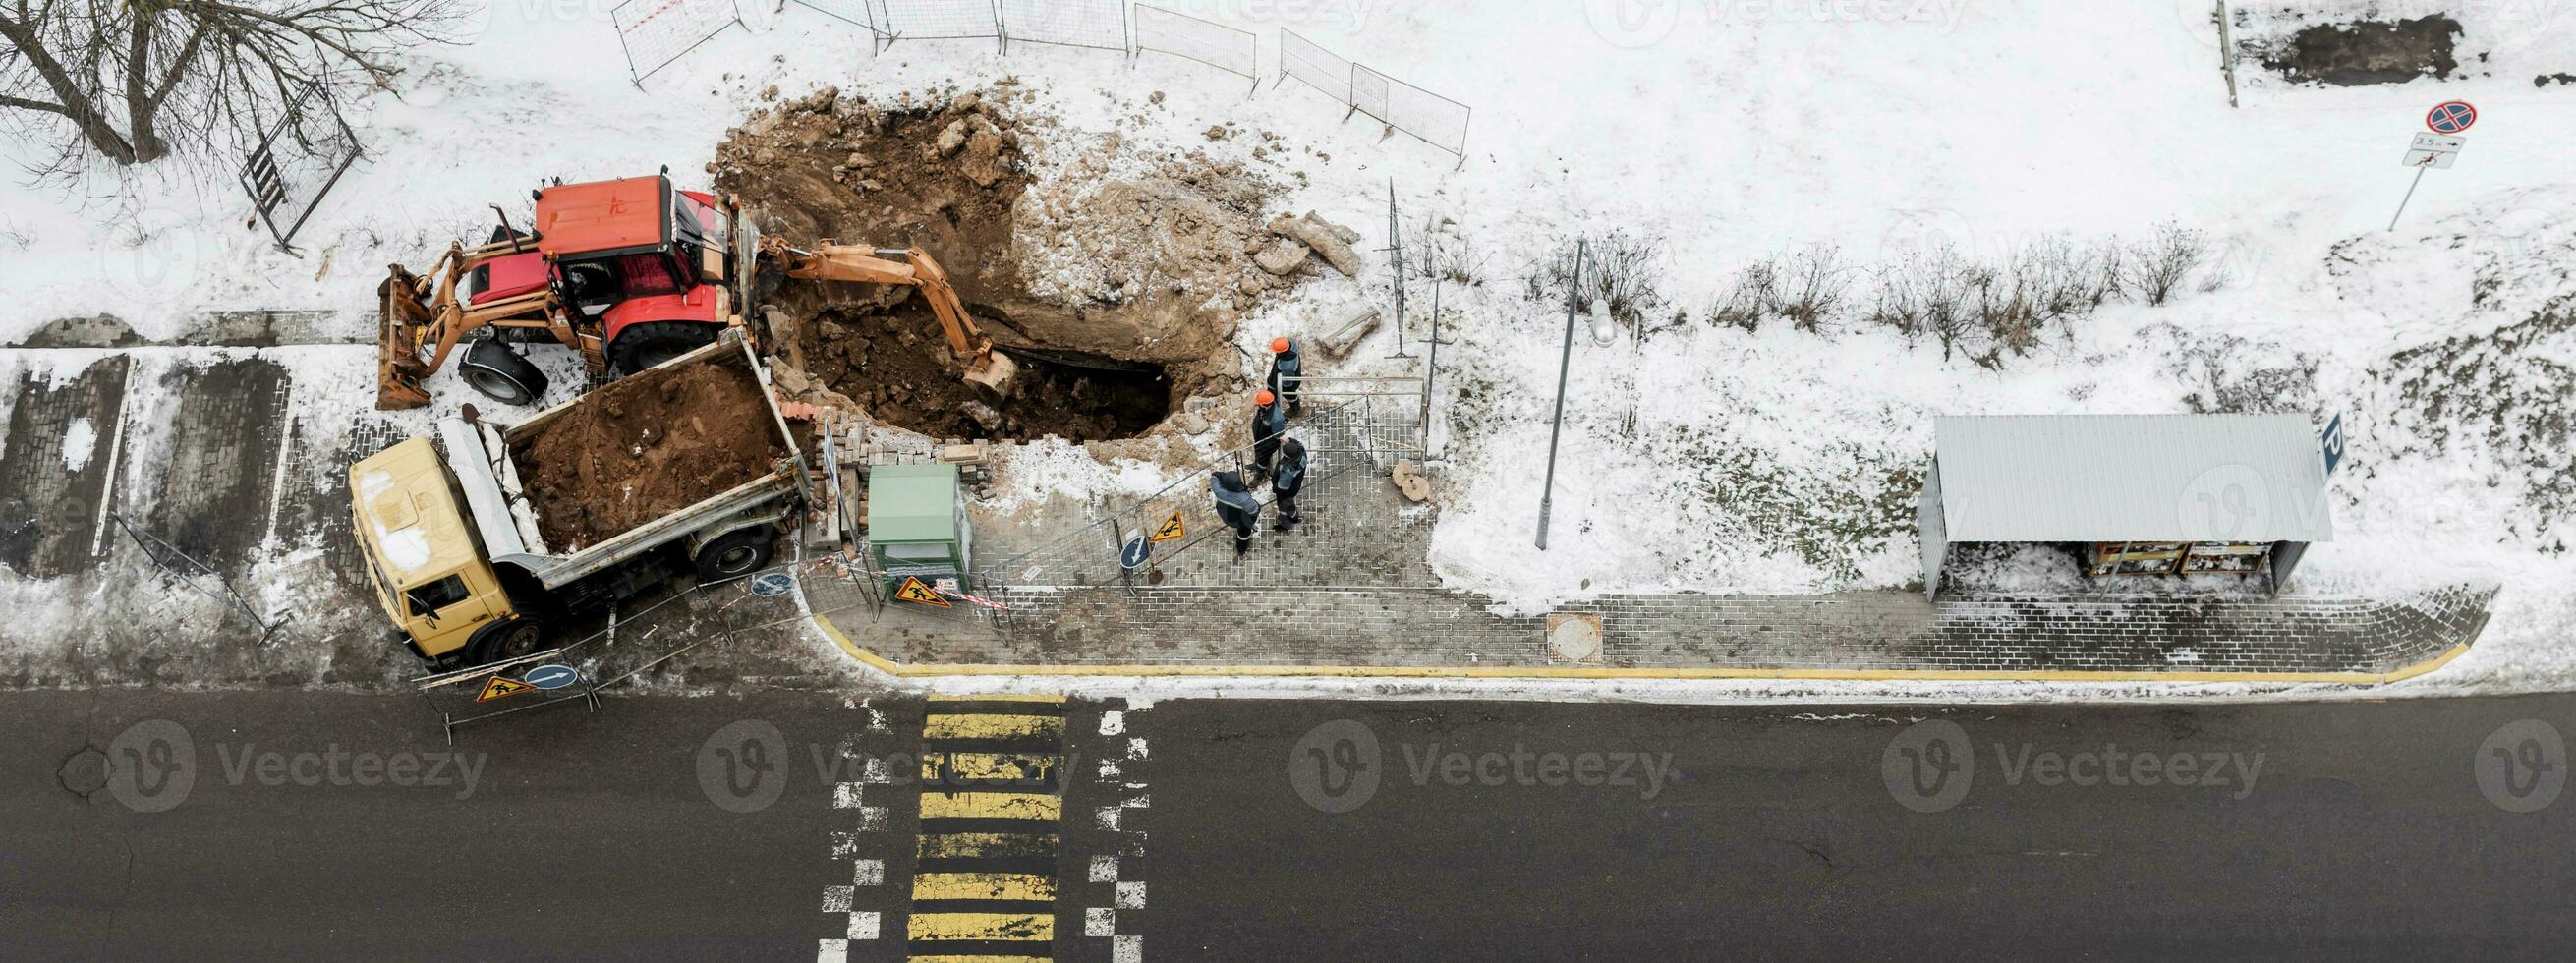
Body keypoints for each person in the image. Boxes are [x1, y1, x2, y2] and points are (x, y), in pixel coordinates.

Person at [1211, 470, 1261, 558]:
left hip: (1225, 515)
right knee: (1244, 531)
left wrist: (1225, 476)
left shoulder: (1218, 491)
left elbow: (1215, 475)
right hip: (1239, 521)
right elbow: (1255, 510)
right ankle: (1241, 549)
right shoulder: (1245, 498)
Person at [1271, 437, 1307, 532]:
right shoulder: (1302, 454)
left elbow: (1282, 487)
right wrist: (1288, 440)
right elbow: (1299, 444)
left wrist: (1274, 488)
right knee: (1290, 504)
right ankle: (1295, 517)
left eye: (1284, 453)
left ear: (1288, 456)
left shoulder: (1288, 470)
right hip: (1295, 486)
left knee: (1283, 506)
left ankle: (1285, 525)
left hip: (1286, 492)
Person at [1250, 389, 1286, 478]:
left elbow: (1278, 435)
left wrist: (1266, 445)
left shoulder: (1276, 418)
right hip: (1261, 436)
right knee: (1258, 449)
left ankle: (1260, 473)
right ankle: (1256, 463)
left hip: (1269, 442)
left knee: (1263, 457)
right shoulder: (1265, 407)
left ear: (1264, 404)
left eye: (1259, 403)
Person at [1266, 336, 1304, 417]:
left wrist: (1278, 386)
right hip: (1283, 374)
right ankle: (1272, 406)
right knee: (1272, 391)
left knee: (1288, 393)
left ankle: (1295, 408)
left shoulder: (1287, 366)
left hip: (1289, 381)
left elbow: (1287, 384)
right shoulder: (1291, 342)